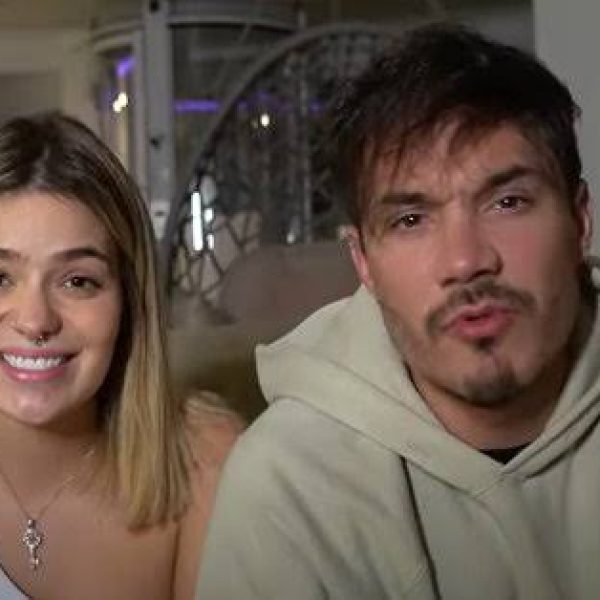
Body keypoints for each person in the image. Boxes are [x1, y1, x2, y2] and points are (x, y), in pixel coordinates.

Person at [196, 23, 600, 599]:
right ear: (362, 261)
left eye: (508, 202)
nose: (465, 261)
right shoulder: (289, 483)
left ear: (580, 220)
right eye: (411, 220)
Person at [0, 112, 240, 599]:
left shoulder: (204, 462)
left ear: (130, 302)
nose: (35, 320)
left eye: (78, 281)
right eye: (0, 278)